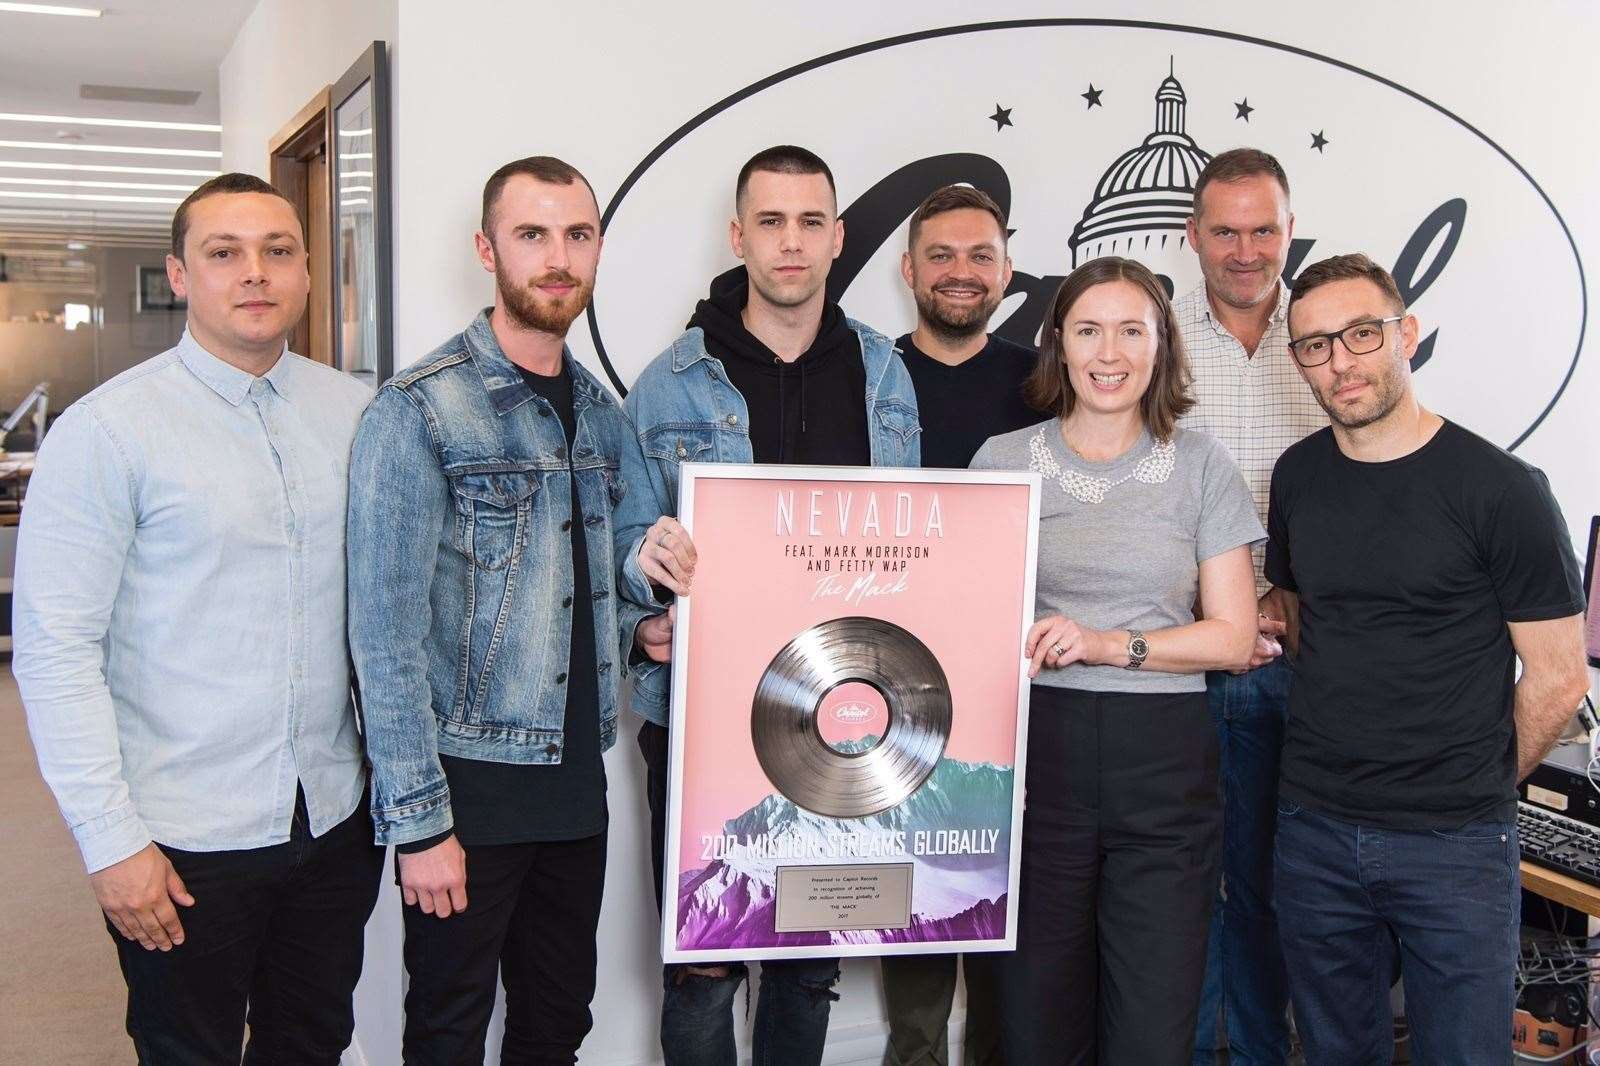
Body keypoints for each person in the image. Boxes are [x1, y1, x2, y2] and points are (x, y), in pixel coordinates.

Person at [12, 172, 383, 1064]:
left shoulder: (357, 414)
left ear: (305, 275)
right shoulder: (108, 433)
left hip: (331, 819)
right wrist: (111, 846)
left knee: (314, 1041)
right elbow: (56, 651)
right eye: (224, 253)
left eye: (278, 251)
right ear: (180, 275)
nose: (254, 272)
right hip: (182, 839)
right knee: (190, 1050)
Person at [346, 156, 664, 1064]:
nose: (557, 257)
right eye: (532, 235)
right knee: (447, 1030)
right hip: (467, 792)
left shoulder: (604, 416)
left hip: (576, 791)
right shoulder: (419, 411)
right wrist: (422, 825)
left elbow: (576, 589)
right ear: (488, 249)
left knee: (557, 1024)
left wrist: (643, 618)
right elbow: (384, 634)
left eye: (577, 235)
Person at [623, 144, 921, 1066]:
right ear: (737, 234)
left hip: (841, 716)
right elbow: (623, 541)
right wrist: (646, 594)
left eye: (808, 222)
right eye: (770, 221)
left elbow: (913, 550)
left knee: (805, 955)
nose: (790, 243)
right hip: (703, 719)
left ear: (836, 236)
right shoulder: (670, 380)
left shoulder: (884, 375)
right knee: (705, 959)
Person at [1266, 253, 1589, 1064]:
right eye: (1314, 344)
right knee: (1335, 1050)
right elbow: (1307, 622)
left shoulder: (1501, 489)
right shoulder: (1298, 476)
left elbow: (1558, 678)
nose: (1340, 360)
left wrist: (1469, 781)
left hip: (1454, 842)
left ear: (1406, 334)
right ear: (1297, 358)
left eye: (1361, 333)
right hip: (1313, 827)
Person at [969, 256, 1263, 1065]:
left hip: (1165, 769)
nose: (1110, 352)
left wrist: (1105, 644)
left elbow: (1234, 637)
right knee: (1034, 1026)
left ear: (1161, 345)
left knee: (1152, 1031)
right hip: (1036, 766)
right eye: (1089, 329)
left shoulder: (1203, 466)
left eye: (1133, 330)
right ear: (1057, 343)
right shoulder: (1001, 462)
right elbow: (966, 619)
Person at [879, 183, 1035, 1066]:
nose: (961, 272)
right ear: (909, 269)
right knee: (921, 899)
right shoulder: (870, 371)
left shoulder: (1043, 380)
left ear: (1007, 269)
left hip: (1017, 670)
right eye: (941, 255)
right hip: (896, 675)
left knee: (1006, 898)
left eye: (981, 255)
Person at [1176, 148, 1325, 1065]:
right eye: (1224, 231)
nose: (1244, 250)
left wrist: (1292, 591)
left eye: (1262, 229)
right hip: (1186, 651)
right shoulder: (1150, 337)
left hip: (1309, 658)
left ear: (1289, 231)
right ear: (1193, 236)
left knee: (1284, 883)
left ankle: (1267, 1052)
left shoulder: (1326, 337)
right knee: (1190, 884)